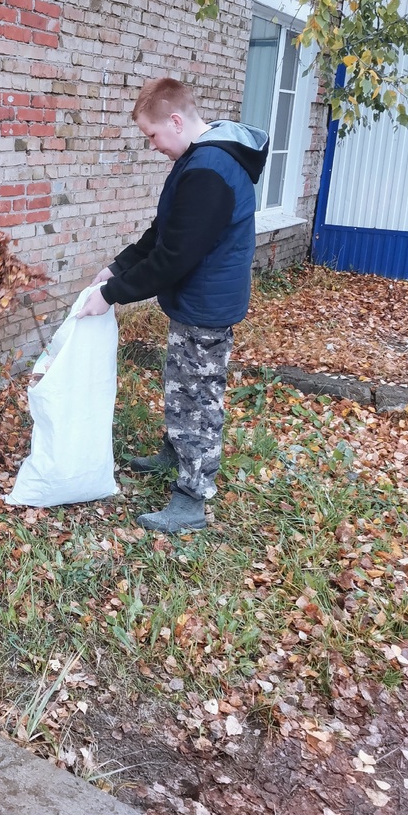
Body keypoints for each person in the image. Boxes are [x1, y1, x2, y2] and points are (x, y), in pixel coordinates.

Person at [78, 78, 268, 533]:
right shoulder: (199, 160)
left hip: (206, 302)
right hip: (195, 299)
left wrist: (111, 295)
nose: (153, 145)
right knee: (182, 382)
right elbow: (165, 231)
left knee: (199, 399)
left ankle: (191, 500)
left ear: (176, 121)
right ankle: (176, 451)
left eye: (153, 135)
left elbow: (174, 257)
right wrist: (116, 267)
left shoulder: (209, 170)